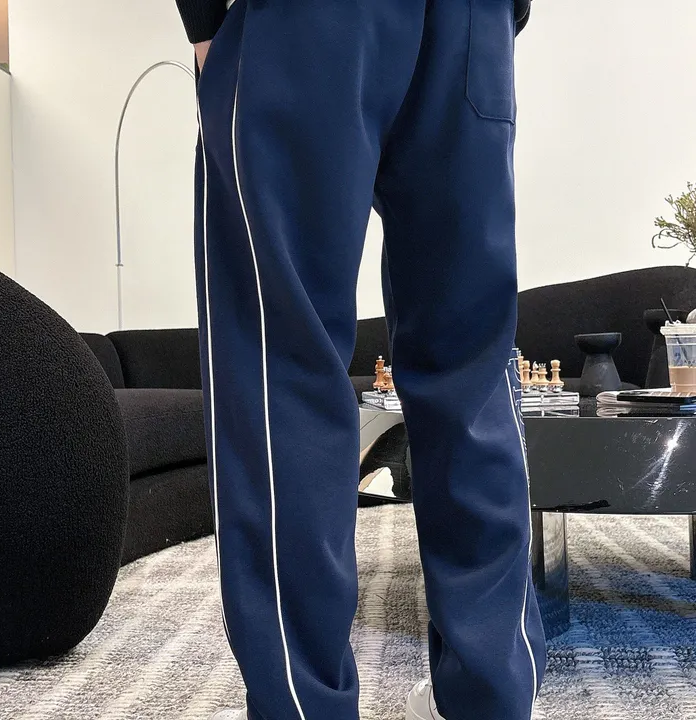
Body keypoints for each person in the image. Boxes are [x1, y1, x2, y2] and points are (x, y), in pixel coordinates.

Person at [174, 0, 544, 717]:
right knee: (471, 373)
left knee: (281, 365)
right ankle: (493, 701)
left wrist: (203, 21)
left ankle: (303, 705)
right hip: (474, 21)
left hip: (305, 18)